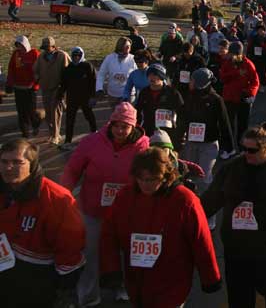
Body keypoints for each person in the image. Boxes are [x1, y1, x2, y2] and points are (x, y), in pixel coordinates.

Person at [100, 148, 221, 307]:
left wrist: (210, 278)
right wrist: (110, 269)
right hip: (136, 280)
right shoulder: (125, 196)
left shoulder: (185, 200)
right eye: (140, 179)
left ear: (165, 176)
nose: (145, 184)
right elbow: (109, 234)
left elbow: (201, 242)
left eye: (151, 179)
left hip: (171, 281)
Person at [201, 123, 266, 308]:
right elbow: (211, 199)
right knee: (239, 297)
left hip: (265, 246)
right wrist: (193, 215)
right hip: (236, 247)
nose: (246, 153)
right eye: (243, 148)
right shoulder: (232, 168)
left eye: (252, 150)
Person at [61, 102, 149, 306]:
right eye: (116, 125)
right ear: (110, 124)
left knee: (125, 253)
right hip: (92, 210)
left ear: (134, 127)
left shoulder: (144, 146)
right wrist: (64, 198)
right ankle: (89, 296)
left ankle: (123, 288)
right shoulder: (91, 142)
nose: (119, 130)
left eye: (125, 127)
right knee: (89, 253)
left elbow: (155, 171)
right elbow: (72, 170)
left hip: (126, 213)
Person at [0, 139, 86, 308]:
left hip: (37, 282)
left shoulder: (57, 199)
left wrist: (66, 289)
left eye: (17, 162)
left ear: (31, 166)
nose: (8, 168)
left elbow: (70, 246)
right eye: (4, 162)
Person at [180, 68, 233, 218]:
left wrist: (228, 146)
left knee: (204, 178)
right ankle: (189, 210)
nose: (190, 82)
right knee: (188, 176)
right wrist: (178, 140)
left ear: (200, 83)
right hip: (191, 143)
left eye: (193, 80)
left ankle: (208, 216)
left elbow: (224, 123)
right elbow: (183, 119)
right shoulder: (189, 97)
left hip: (208, 144)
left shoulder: (216, 100)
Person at [220, 41, 260, 146]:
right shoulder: (227, 63)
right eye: (231, 53)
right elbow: (223, 78)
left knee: (243, 125)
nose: (231, 56)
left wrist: (249, 93)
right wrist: (236, 73)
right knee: (229, 125)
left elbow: (255, 83)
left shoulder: (248, 64)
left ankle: (242, 146)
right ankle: (229, 147)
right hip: (229, 98)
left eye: (234, 54)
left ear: (240, 54)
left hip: (243, 99)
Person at [134, 63, 184, 144]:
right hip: (148, 131)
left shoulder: (172, 93)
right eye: (149, 74)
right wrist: (137, 129)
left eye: (155, 75)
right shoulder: (144, 92)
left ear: (161, 77)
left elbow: (182, 113)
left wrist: (180, 132)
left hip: (168, 133)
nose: (151, 77)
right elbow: (137, 112)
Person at [59, 47, 97, 150]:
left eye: (78, 55)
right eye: (74, 55)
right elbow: (63, 84)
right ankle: (68, 140)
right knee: (70, 120)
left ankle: (95, 134)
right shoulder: (68, 68)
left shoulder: (87, 66)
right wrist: (60, 96)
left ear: (82, 55)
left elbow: (93, 81)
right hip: (72, 98)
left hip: (86, 97)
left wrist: (93, 96)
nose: (76, 57)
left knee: (89, 116)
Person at [33, 36, 69, 145]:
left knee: (55, 113)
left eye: (47, 47)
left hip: (57, 88)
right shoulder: (41, 57)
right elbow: (35, 70)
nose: (46, 50)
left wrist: (64, 87)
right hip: (45, 88)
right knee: (48, 113)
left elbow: (69, 71)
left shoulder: (62, 56)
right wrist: (38, 79)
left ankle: (56, 135)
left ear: (53, 46)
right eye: (44, 47)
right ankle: (51, 132)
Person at [6, 35, 41, 137]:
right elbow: (11, 69)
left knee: (31, 111)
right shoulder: (16, 54)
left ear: (25, 44)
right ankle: (25, 133)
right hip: (18, 87)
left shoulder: (34, 53)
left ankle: (36, 123)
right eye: (18, 46)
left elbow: (39, 70)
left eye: (21, 45)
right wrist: (9, 83)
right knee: (21, 111)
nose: (19, 48)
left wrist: (36, 83)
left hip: (30, 88)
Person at [96, 37, 136, 104]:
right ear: (120, 46)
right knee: (115, 114)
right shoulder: (109, 58)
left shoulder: (133, 59)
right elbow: (101, 74)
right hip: (113, 95)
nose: (128, 48)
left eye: (129, 46)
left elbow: (138, 74)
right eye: (126, 46)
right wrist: (99, 89)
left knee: (126, 114)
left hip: (129, 95)